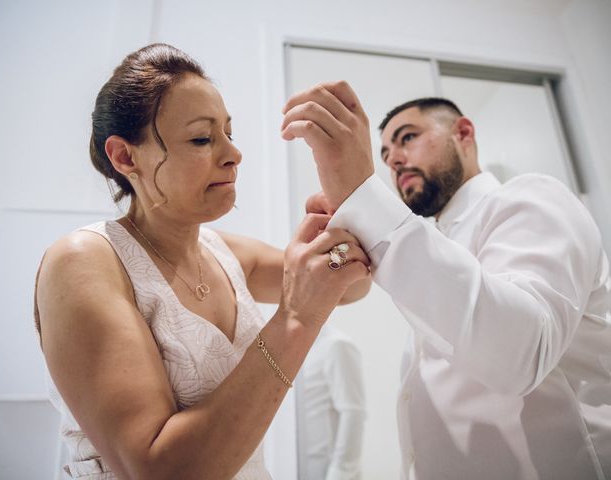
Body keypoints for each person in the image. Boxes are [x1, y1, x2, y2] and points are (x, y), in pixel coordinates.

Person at [33, 44, 372, 480]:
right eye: (201, 138)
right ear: (125, 157)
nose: (233, 154)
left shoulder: (229, 255)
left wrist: (344, 178)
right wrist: (297, 317)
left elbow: (355, 286)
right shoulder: (85, 261)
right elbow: (157, 470)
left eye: (229, 133)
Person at [281, 83, 611, 480]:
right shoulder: (435, 245)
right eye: (385, 155)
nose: (395, 161)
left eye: (408, 138)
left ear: (464, 134)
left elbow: (520, 352)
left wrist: (362, 196)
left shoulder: (533, 198)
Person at [297, 323, 365, 480]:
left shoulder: (336, 345)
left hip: (325, 471)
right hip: (296, 468)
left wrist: (340, 472)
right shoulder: (286, 348)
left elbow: (353, 412)